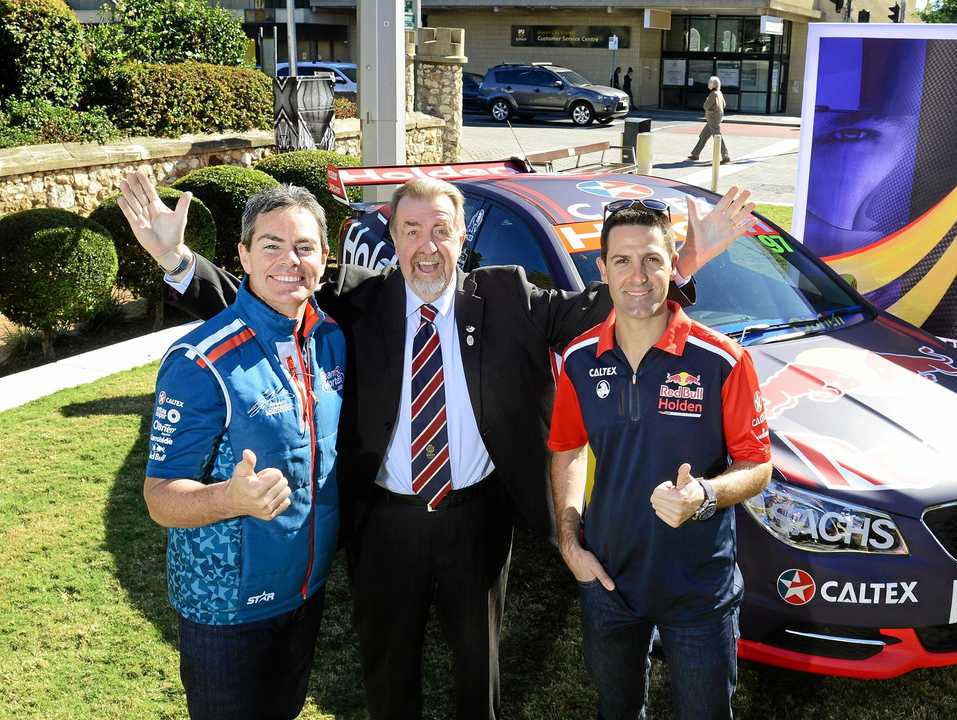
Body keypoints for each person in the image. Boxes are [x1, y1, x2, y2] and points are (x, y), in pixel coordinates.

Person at [120, 170, 756, 720]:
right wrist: (178, 263)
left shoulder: (508, 296)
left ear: (462, 237)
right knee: (388, 672)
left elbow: (610, 302)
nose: (428, 247)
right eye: (412, 231)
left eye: (441, 230)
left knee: (478, 676)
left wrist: (687, 259)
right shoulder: (358, 301)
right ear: (392, 238)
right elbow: (263, 295)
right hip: (382, 522)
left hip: (475, 517)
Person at [121, 181, 344, 720]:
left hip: (305, 590)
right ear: (243, 255)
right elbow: (159, 498)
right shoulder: (199, 362)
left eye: (305, 247)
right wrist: (230, 498)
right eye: (271, 245)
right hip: (226, 609)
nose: (290, 261)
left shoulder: (330, 337)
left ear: (325, 258)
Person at [548, 199, 771, 720]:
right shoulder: (579, 360)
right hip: (608, 581)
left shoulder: (723, 361)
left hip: (698, 590)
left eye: (652, 259)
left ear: (675, 263)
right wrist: (569, 539)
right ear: (601, 270)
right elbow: (568, 447)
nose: (638, 276)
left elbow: (758, 464)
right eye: (621, 261)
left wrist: (706, 495)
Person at [688, 76, 730, 164]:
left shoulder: (713, 94)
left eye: (709, 83)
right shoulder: (719, 93)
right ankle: (695, 154)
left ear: (712, 84)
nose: (708, 84)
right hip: (717, 117)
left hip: (712, 118)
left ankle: (725, 156)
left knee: (717, 137)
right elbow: (724, 104)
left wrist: (707, 101)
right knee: (703, 136)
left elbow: (705, 106)